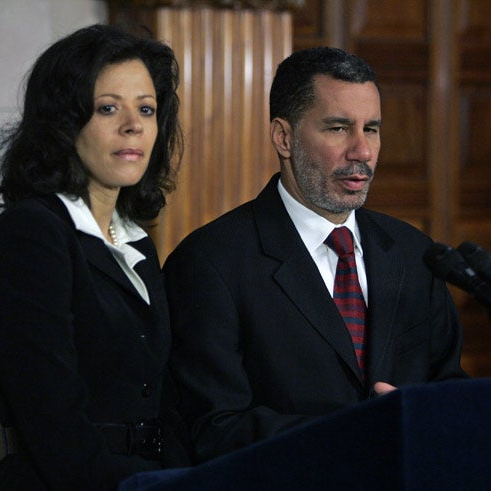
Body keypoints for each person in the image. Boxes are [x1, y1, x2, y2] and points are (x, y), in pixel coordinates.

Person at [163, 47, 468, 464]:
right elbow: (214, 428)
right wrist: (358, 433)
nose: (362, 151)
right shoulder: (210, 263)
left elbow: (448, 388)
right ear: (283, 137)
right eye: (340, 128)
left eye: (372, 129)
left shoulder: (415, 253)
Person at [0, 24, 189, 490]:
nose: (133, 125)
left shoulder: (136, 242)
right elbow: (49, 415)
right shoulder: (31, 233)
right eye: (107, 108)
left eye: (146, 109)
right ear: (63, 122)